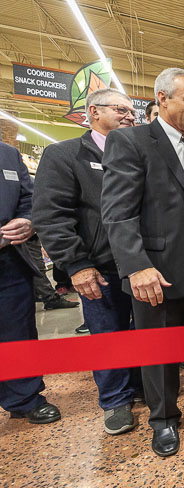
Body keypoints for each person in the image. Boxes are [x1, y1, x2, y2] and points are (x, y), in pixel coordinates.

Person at [100, 67, 184, 457]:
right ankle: (162, 419)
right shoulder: (132, 141)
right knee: (160, 347)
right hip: (156, 270)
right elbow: (117, 212)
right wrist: (135, 265)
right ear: (162, 99)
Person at [33, 88, 143, 435]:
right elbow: (51, 216)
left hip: (141, 265)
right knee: (107, 336)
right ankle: (115, 401)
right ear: (93, 111)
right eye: (120, 110)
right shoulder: (65, 155)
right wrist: (78, 265)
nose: (129, 116)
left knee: (142, 334)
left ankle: (141, 387)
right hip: (99, 267)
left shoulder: (139, 154)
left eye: (132, 112)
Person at [1, 140, 61, 425]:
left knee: (17, 330)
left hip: (9, 259)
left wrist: (28, 219)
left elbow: (29, 198)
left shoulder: (8, 154)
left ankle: (24, 398)